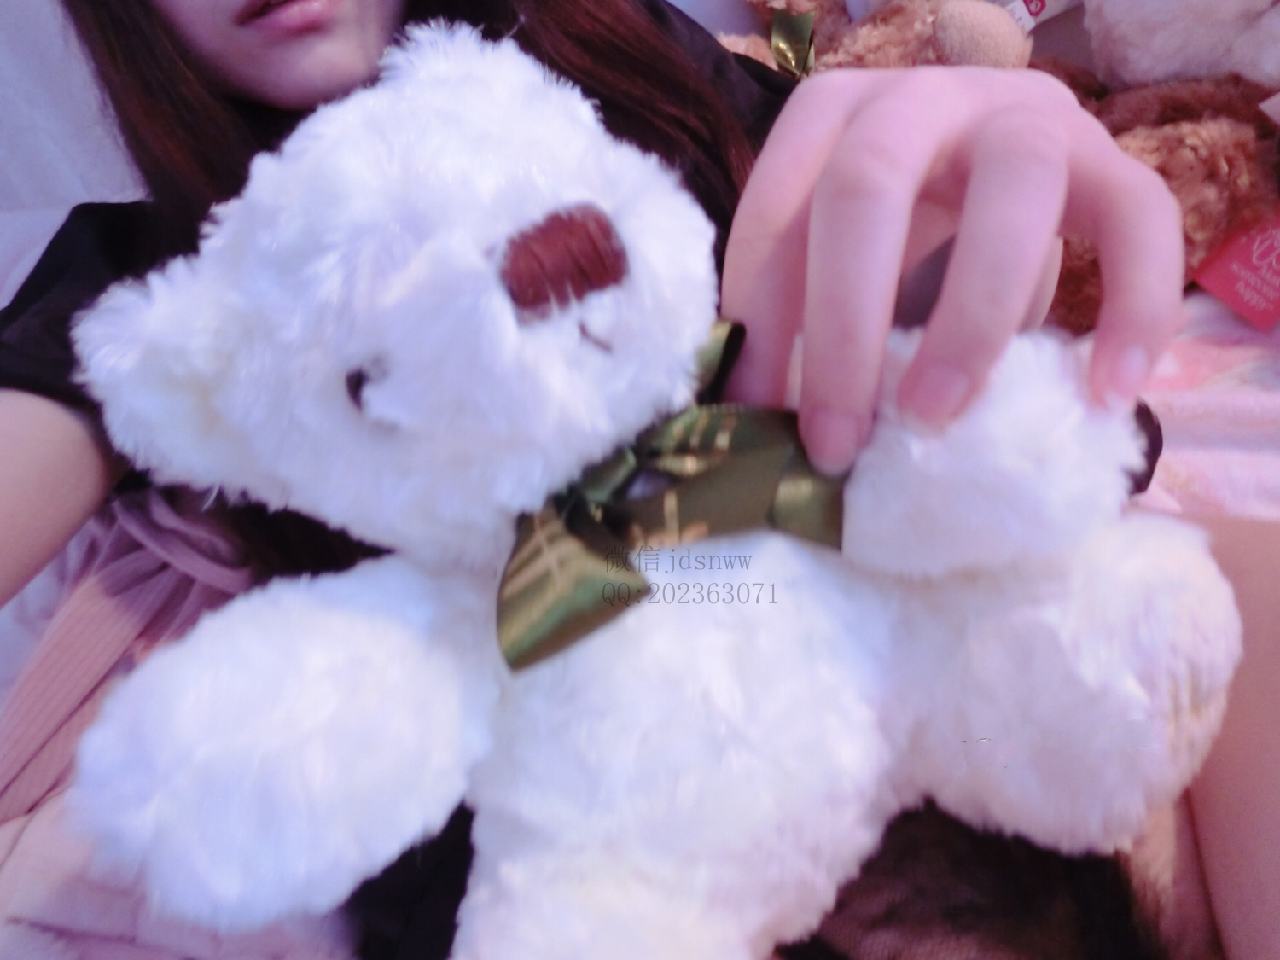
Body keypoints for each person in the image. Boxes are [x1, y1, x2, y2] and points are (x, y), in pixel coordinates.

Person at [0, 0, 1227, 957]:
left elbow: (869, 245)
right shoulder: (150, 290)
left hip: (930, 760)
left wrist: (952, 284)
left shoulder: (639, 75)